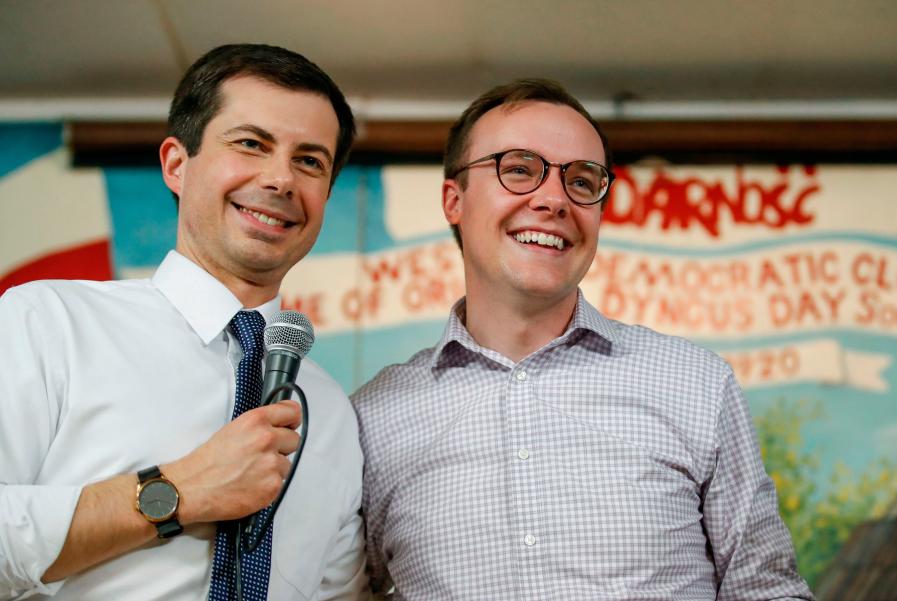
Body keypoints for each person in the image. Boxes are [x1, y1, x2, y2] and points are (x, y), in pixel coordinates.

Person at [352, 79, 814, 600]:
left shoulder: (697, 385)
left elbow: (767, 590)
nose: (553, 199)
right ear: (453, 200)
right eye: (519, 169)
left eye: (581, 180)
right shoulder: (372, 420)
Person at [0, 44, 366, 599]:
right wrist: (176, 491)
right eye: (251, 144)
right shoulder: (48, 324)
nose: (281, 180)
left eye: (310, 161)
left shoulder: (332, 414)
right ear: (177, 163)